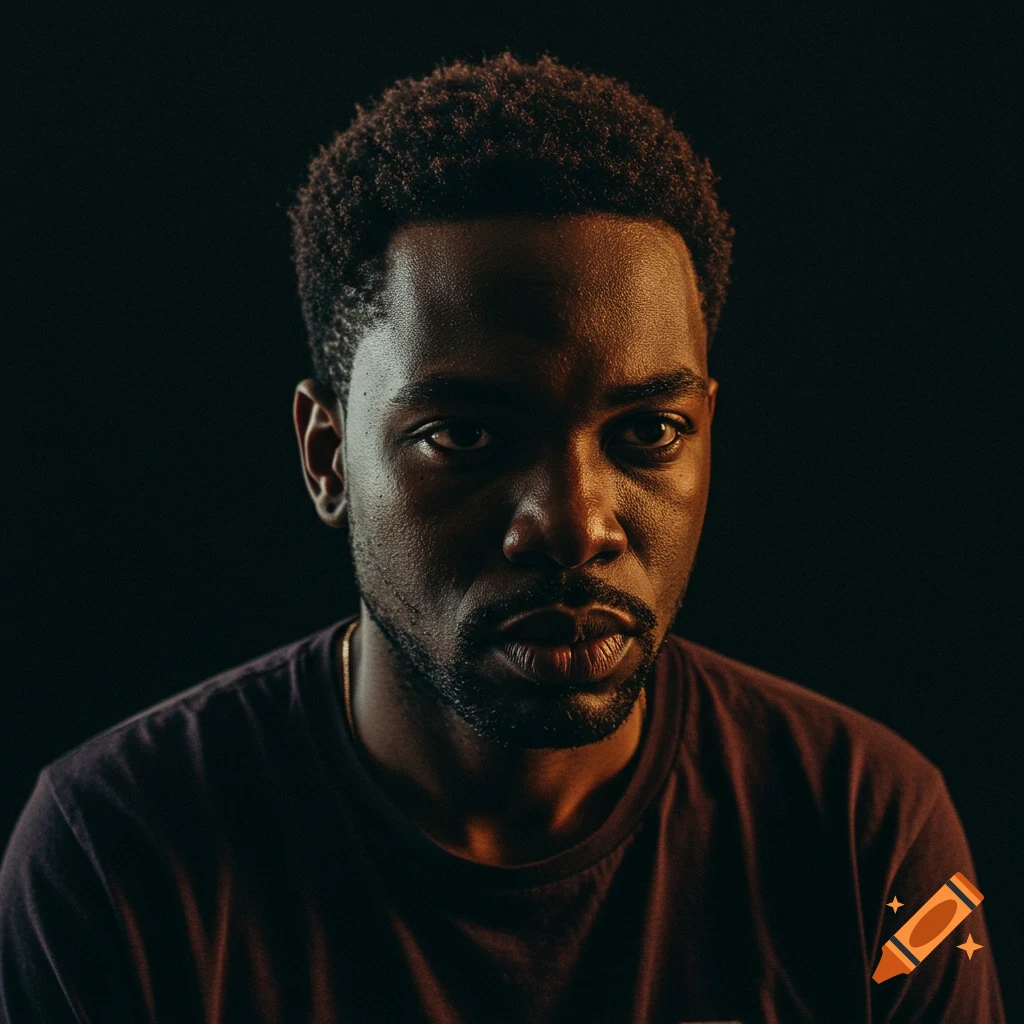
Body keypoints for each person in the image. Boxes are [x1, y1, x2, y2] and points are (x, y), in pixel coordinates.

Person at [0, 53, 1004, 1024]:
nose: (573, 524)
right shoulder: (115, 856)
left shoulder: (862, 828)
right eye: (467, 438)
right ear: (327, 456)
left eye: (648, 433)